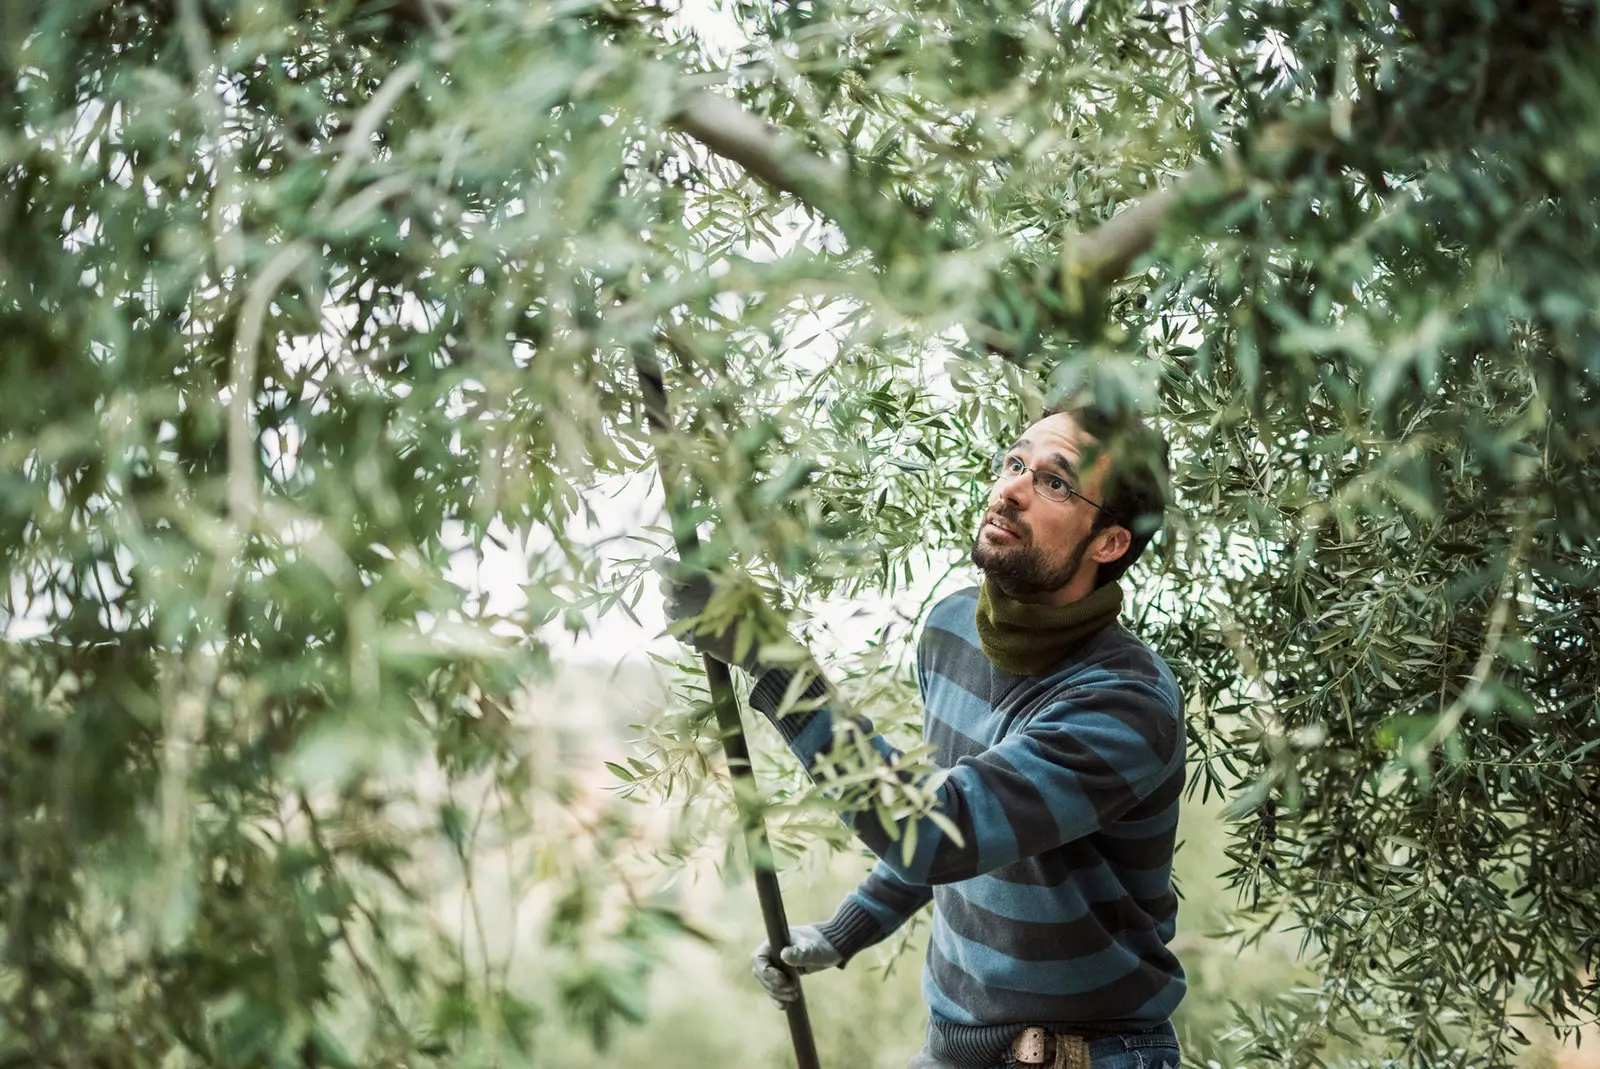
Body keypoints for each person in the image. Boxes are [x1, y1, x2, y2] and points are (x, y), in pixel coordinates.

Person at [663, 404, 1185, 1069]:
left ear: (1109, 541)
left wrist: (771, 658)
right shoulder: (950, 632)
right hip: (953, 1049)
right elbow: (954, 815)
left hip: (1088, 1055)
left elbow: (939, 830)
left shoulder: (1126, 701)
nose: (1012, 489)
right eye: (1015, 462)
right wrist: (844, 929)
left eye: (1055, 482)